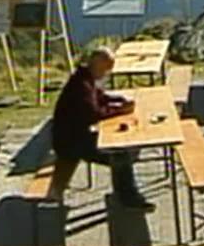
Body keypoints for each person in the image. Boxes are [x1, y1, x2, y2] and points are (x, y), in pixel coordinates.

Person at [46, 48, 155, 211]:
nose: (108, 72)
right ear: (97, 63)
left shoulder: (84, 78)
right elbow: (93, 114)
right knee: (120, 153)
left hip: (74, 136)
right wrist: (120, 111)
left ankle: (124, 194)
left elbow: (99, 97)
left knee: (120, 149)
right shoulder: (81, 84)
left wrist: (119, 100)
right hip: (70, 143)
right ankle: (128, 199)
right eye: (107, 67)